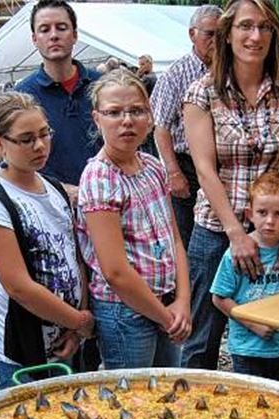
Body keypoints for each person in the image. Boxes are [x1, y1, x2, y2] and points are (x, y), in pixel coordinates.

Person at [181, 0, 279, 371]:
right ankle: (195, 418)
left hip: (275, 227)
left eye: (265, 27)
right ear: (227, 33)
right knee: (202, 336)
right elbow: (204, 169)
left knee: (269, 328)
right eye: (246, 26)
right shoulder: (201, 93)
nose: (255, 36)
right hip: (218, 229)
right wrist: (236, 232)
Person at [0, 92, 94, 388]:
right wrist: (79, 322)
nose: (39, 146)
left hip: (64, 333)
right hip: (22, 345)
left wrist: (76, 325)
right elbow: (19, 286)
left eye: (44, 134)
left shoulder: (52, 186)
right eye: (26, 139)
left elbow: (75, 256)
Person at [76, 70, 191, 369]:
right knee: (133, 403)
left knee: (169, 394)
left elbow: (174, 238)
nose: (127, 121)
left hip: (166, 301)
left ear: (150, 115)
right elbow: (114, 271)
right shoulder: (100, 177)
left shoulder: (152, 166)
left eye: (136, 111)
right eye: (114, 113)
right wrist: (166, 318)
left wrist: (183, 300)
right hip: (126, 312)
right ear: (97, 118)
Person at [210, 172, 279, 381]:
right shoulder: (237, 255)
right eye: (262, 212)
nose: (270, 221)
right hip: (247, 348)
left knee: (278, 396)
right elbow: (219, 297)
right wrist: (253, 324)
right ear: (250, 214)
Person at [151, 4, 222, 249]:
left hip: (225, 164)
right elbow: (160, 128)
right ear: (192, 34)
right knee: (188, 235)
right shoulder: (176, 74)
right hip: (188, 166)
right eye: (209, 34)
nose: (216, 40)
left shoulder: (234, 71)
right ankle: (187, 286)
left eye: (221, 34)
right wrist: (173, 173)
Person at [14, 0, 102, 186]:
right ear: (34, 39)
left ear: (75, 35)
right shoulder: (22, 97)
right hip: (51, 205)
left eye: (61, 28)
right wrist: (61, 190)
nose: (53, 35)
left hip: (108, 195)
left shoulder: (103, 86)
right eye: (45, 29)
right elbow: (16, 162)